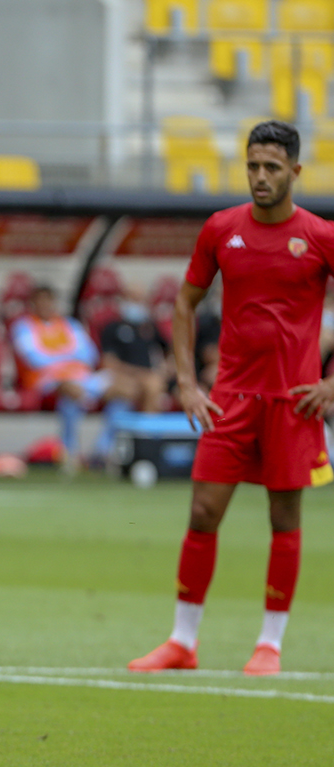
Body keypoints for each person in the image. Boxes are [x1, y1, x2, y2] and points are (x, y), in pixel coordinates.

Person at [129, 120, 334, 676]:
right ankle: (182, 641)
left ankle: (269, 644)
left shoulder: (320, 235)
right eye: (252, 166)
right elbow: (184, 304)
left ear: (295, 171)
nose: (260, 177)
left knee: (284, 516)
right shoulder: (222, 229)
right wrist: (188, 381)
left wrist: (331, 383)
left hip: (294, 401)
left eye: (271, 167)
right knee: (202, 512)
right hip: (231, 398)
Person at [11, 284, 114, 470]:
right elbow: (35, 359)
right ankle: (69, 453)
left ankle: (102, 451)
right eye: (40, 301)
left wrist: (55, 354)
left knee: (122, 391)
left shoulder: (70, 325)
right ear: (32, 304)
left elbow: (90, 354)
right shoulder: (24, 326)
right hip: (44, 382)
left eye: (48, 301)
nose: (45, 305)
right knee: (70, 391)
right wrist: (69, 354)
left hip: (82, 378)